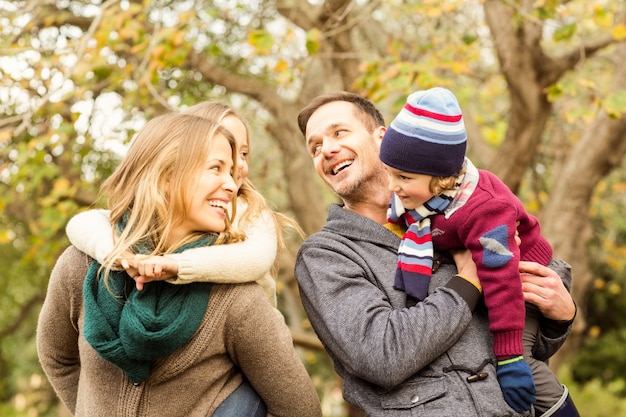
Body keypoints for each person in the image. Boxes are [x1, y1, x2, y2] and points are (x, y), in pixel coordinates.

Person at [295, 91, 578, 416]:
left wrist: (561, 316)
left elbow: (524, 341)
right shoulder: (326, 255)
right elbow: (381, 356)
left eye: (339, 132)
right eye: (314, 147)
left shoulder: (464, 205)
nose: (326, 150)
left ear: (382, 138)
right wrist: (468, 281)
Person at [37, 112, 322, 417]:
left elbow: (300, 409)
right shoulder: (78, 267)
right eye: (216, 168)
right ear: (166, 176)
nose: (231, 183)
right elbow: (57, 358)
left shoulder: (237, 300)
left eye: (232, 170)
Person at [378, 87, 579, 416]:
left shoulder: (487, 211)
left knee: (522, 365)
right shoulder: (427, 197)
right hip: (496, 271)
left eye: (403, 177)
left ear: (441, 176)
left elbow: (502, 283)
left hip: (524, 278)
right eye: (388, 172)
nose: (392, 187)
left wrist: (510, 357)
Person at [65, 102, 298, 308]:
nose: (237, 163)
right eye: (222, 153)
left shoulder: (249, 210)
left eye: (243, 153)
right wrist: (116, 253)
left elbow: (256, 258)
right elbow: (87, 222)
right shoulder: (166, 216)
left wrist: (178, 264)